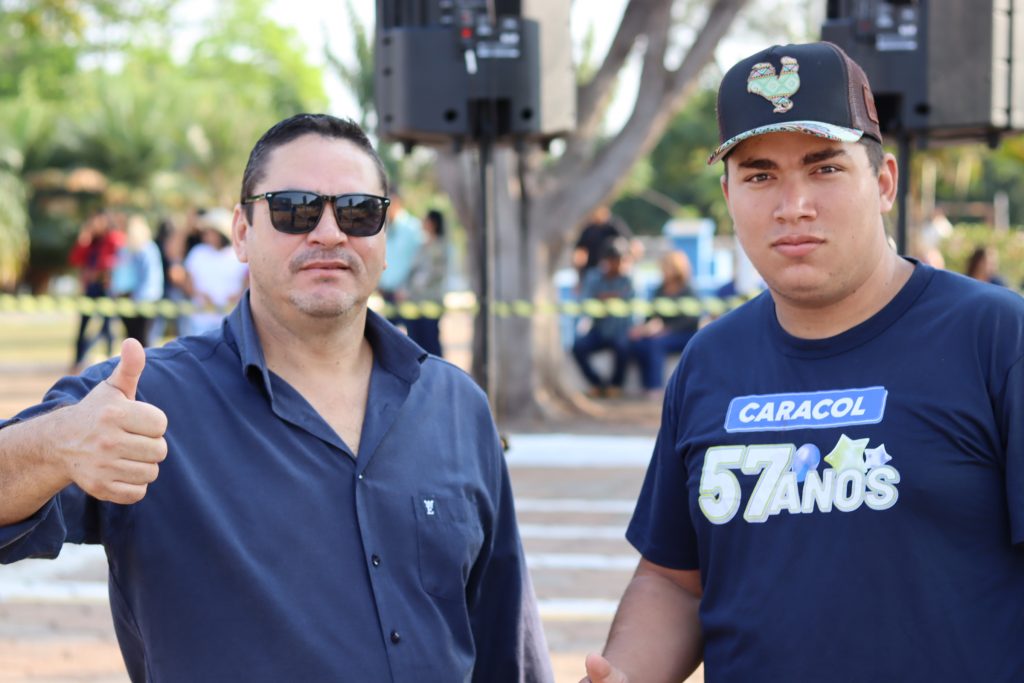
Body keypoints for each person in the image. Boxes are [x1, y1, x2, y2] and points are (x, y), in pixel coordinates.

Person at [0, 113, 552, 683]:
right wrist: (56, 444)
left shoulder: (456, 406)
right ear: (242, 232)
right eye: (295, 209)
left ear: (384, 238)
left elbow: (502, 637)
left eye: (359, 211)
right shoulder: (146, 401)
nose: (330, 233)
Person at [584, 42, 1024, 683]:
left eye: (824, 169)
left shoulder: (994, 337)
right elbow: (677, 583)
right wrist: (625, 673)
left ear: (882, 183)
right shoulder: (712, 361)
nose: (793, 205)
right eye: (760, 175)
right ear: (729, 194)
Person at [626, 250, 700, 399]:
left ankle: (655, 387)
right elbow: (651, 315)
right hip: (659, 333)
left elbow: (692, 319)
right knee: (638, 344)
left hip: (683, 335)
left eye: (666, 266)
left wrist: (667, 329)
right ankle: (645, 384)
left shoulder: (688, 290)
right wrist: (643, 329)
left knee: (656, 344)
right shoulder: (659, 290)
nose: (663, 270)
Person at [572, 237, 635, 398]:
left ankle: (615, 385)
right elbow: (585, 303)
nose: (618, 265)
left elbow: (633, 308)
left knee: (623, 346)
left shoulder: (629, 280)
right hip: (599, 329)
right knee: (578, 347)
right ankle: (597, 384)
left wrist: (604, 299)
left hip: (621, 330)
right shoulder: (594, 277)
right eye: (615, 260)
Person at [69, 211, 124, 371]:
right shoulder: (91, 241)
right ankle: (78, 359)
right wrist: (83, 241)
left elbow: (118, 259)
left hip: (106, 287)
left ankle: (109, 360)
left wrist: (102, 271)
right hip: (91, 287)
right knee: (84, 324)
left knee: (107, 326)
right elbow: (75, 259)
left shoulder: (114, 238)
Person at [181, 207, 249, 333]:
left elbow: (248, 282)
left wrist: (239, 295)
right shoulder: (198, 253)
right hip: (200, 321)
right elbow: (186, 282)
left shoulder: (238, 254)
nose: (205, 235)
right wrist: (199, 294)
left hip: (230, 322)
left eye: (210, 231)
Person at [109, 214, 165, 347]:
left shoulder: (147, 249)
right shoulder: (125, 249)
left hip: (144, 299)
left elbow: (151, 278)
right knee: (132, 339)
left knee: (143, 338)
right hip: (129, 297)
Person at [377, 187, 424, 326]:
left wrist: (407, 288)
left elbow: (420, 263)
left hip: (407, 294)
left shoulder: (413, 228)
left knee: (413, 340)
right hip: (386, 292)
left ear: (399, 202)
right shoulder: (381, 227)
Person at [405, 208, 448, 356]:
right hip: (415, 302)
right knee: (416, 340)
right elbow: (413, 271)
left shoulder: (440, 247)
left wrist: (414, 287)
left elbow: (434, 274)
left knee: (431, 341)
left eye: (426, 220)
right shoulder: (422, 246)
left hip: (431, 300)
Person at [572, 205, 636, 286]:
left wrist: (626, 264)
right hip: (594, 269)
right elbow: (579, 252)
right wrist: (579, 276)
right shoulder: (588, 229)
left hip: (617, 270)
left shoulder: (615, 225)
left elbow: (632, 244)